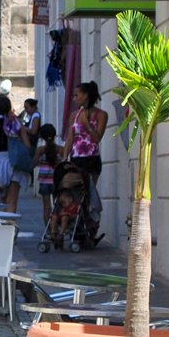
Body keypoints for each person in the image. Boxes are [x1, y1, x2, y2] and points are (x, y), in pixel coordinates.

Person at [69, 81, 109, 229]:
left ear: (85, 96)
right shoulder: (74, 115)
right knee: (75, 193)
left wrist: (86, 124)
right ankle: (76, 224)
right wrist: (64, 156)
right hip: (76, 157)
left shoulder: (101, 115)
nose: (74, 98)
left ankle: (88, 224)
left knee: (88, 194)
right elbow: (70, 138)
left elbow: (97, 138)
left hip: (91, 158)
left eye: (76, 95)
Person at [0, 94, 22, 213]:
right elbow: (26, 143)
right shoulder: (16, 123)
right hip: (13, 160)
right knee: (12, 201)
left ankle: (2, 225)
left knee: (2, 198)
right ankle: (11, 226)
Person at [34, 122, 62, 225]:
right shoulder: (60, 150)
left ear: (42, 136)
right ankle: (56, 229)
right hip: (57, 180)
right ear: (54, 135)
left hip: (44, 181)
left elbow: (35, 163)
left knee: (46, 207)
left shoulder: (41, 150)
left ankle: (48, 231)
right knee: (57, 206)